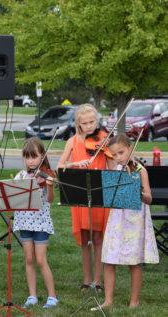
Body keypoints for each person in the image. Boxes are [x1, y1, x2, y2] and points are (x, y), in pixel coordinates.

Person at [97, 135, 159, 309]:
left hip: (135, 221)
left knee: (134, 262)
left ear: (131, 148)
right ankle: (108, 300)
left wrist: (137, 191)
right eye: (115, 155)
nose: (119, 157)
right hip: (117, 219)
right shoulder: (117, 169)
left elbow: (149, 199)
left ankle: (134, 301)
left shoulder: (140, 170)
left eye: (122, 152)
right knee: (109, 259)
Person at [57, 104, 114, 291]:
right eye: (85, 123)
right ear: (78, 124)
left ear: (97, 121)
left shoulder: (104, 138)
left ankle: (97, 281)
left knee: (98, 239)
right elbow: (61, 166)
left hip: (99, 191)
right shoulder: (72, 141)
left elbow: (113, 167)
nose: (89, 126)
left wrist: (109, 153)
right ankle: (86, 278)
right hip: (80, 191)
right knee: (84, 240)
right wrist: (75, 163)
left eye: (92, 122)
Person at [13, 137, 58, 308]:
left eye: (34, 157)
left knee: (40, 259)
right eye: (27, 157)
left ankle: (52, 296)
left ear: (42, 156)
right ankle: (32, 296)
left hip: (40, 223)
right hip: (24, 222)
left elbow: (50, 200)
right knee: (29, 259)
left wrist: (50, 186)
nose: (31, 161)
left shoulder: (47, 175)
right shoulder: (21, 176)